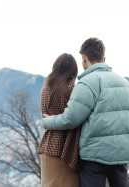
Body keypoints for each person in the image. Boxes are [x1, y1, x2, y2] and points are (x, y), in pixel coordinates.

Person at [43, 38, 129, 187]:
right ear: (104, 59)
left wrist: (48, 121)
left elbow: (71, 119)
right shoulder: (126, 84)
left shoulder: (87, 83)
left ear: (83, 57)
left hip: (95, 156)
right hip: (122, 153)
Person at [38, 53, 81, 187]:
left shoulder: (46, 88)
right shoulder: (72, 88)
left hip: (48, 145)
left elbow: (45, 118)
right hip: (68, 147)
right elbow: (75, 117)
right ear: (73, 69)